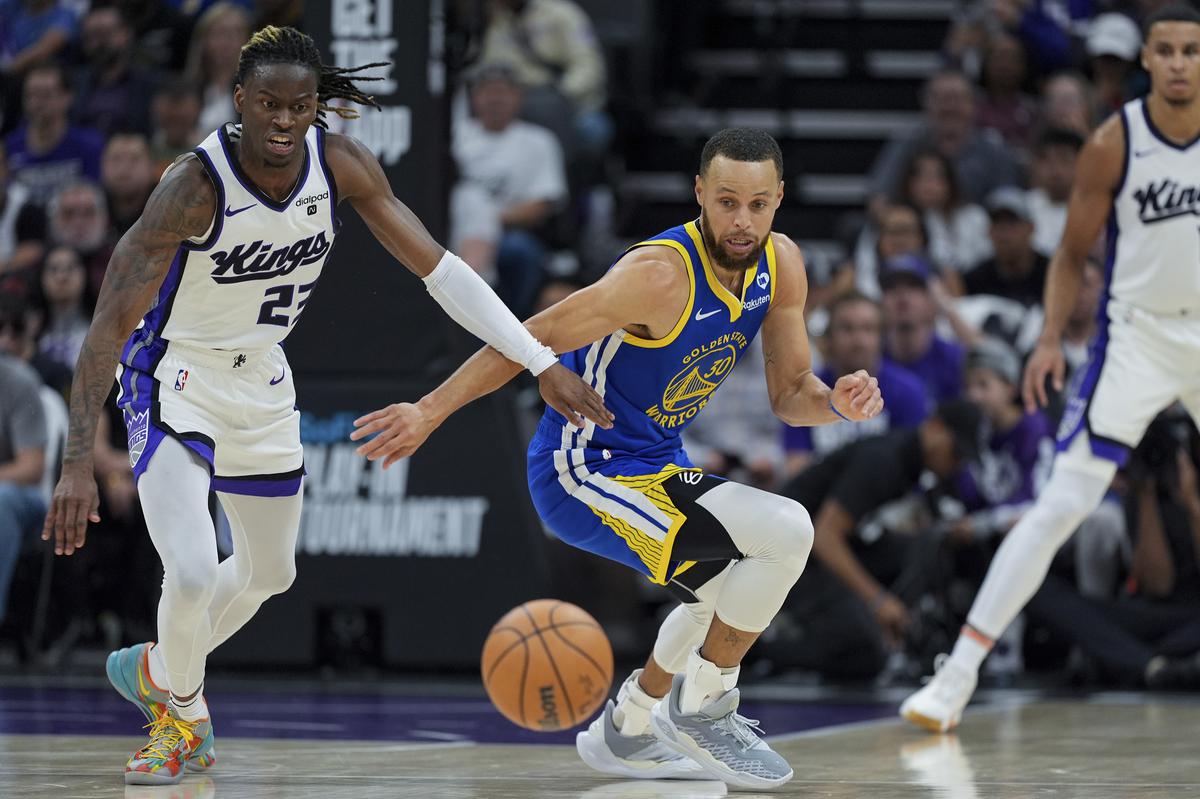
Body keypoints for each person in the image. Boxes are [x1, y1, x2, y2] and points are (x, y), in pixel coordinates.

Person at [40, 25, 608, 786]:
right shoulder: (192, 187)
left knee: (271, 573)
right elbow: (109, 323)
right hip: (173, 375)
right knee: (197, 572)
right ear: (239, 100)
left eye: (299, 105)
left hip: (264, 381)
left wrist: (539, 362)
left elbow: (441, 271)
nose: (283, 119)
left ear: (317, 110)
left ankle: (157, 665)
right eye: (268, 103)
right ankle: (184, 716)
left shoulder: (340, 164)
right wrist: (77, 460)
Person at [350, 128, 884, 789]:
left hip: (656, 460)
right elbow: (529, 335)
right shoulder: (658, 277)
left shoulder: (783, 265)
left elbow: (792, 393)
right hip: (583, 468)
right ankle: (703, 706)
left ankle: (629, 726)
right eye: (726, 201)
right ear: (698, 194)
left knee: (721, 596)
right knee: (786, 531)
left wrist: (837, 402)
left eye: (756, 204)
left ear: (778, 200)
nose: (741, 221)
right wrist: (428, 410)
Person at [901, 3, 1200, 733]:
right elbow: (1069, 254)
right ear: (1147, 61)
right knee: (1062, 503)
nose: (1179, 63)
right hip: (1134, 337)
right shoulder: (1113, 141)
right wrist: (1042, 342)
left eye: (1193, 50)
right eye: (1165, 50)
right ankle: (960, 672)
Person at [771, 401, 983, 680]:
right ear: (934, 429)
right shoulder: (884, 460)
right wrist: (878, 601)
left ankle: (916, 632)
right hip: (787, 553)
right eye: (956, 452)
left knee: (931, 547)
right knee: (866, 652)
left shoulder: (914, 462)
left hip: (824, 543)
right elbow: (825, 536)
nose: (956, 463)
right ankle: (761, 650)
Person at [783, 291, 931, 475]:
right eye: (847, 328)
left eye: (868, 329)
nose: (858, 340)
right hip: (818, 497)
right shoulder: (806, 391)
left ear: (881, 337)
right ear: (828, 337)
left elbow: (914, 468)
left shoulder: (909, 391)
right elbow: (796, 467)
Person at [6, 62, 104, 205]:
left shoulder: (90, 145)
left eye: (46, 95)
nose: (37, 103)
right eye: (30, 95)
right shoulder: (9, 147)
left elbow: (97, 200)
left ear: (67, 97)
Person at [961, 187, 1050, 308]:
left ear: (1030, 228)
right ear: (989, 231)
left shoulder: (1052, 274)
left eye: (1012, 223)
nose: (1004, 233)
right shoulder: (974, 281)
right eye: (998, 224)